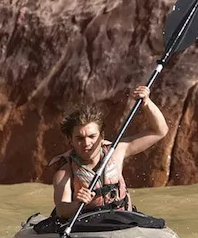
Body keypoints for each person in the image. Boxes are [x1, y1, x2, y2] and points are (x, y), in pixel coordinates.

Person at [48, 85, 168, 219]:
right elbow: (61, 210)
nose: (87, 143)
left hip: (123, 219)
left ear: (102, 136)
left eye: (92, 136)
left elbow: (159, 131)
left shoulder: (117, 152)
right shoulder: (65, 171)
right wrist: (77, 204)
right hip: (87, 225)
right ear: (71, 140)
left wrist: (146, 103)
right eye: (80, 138)